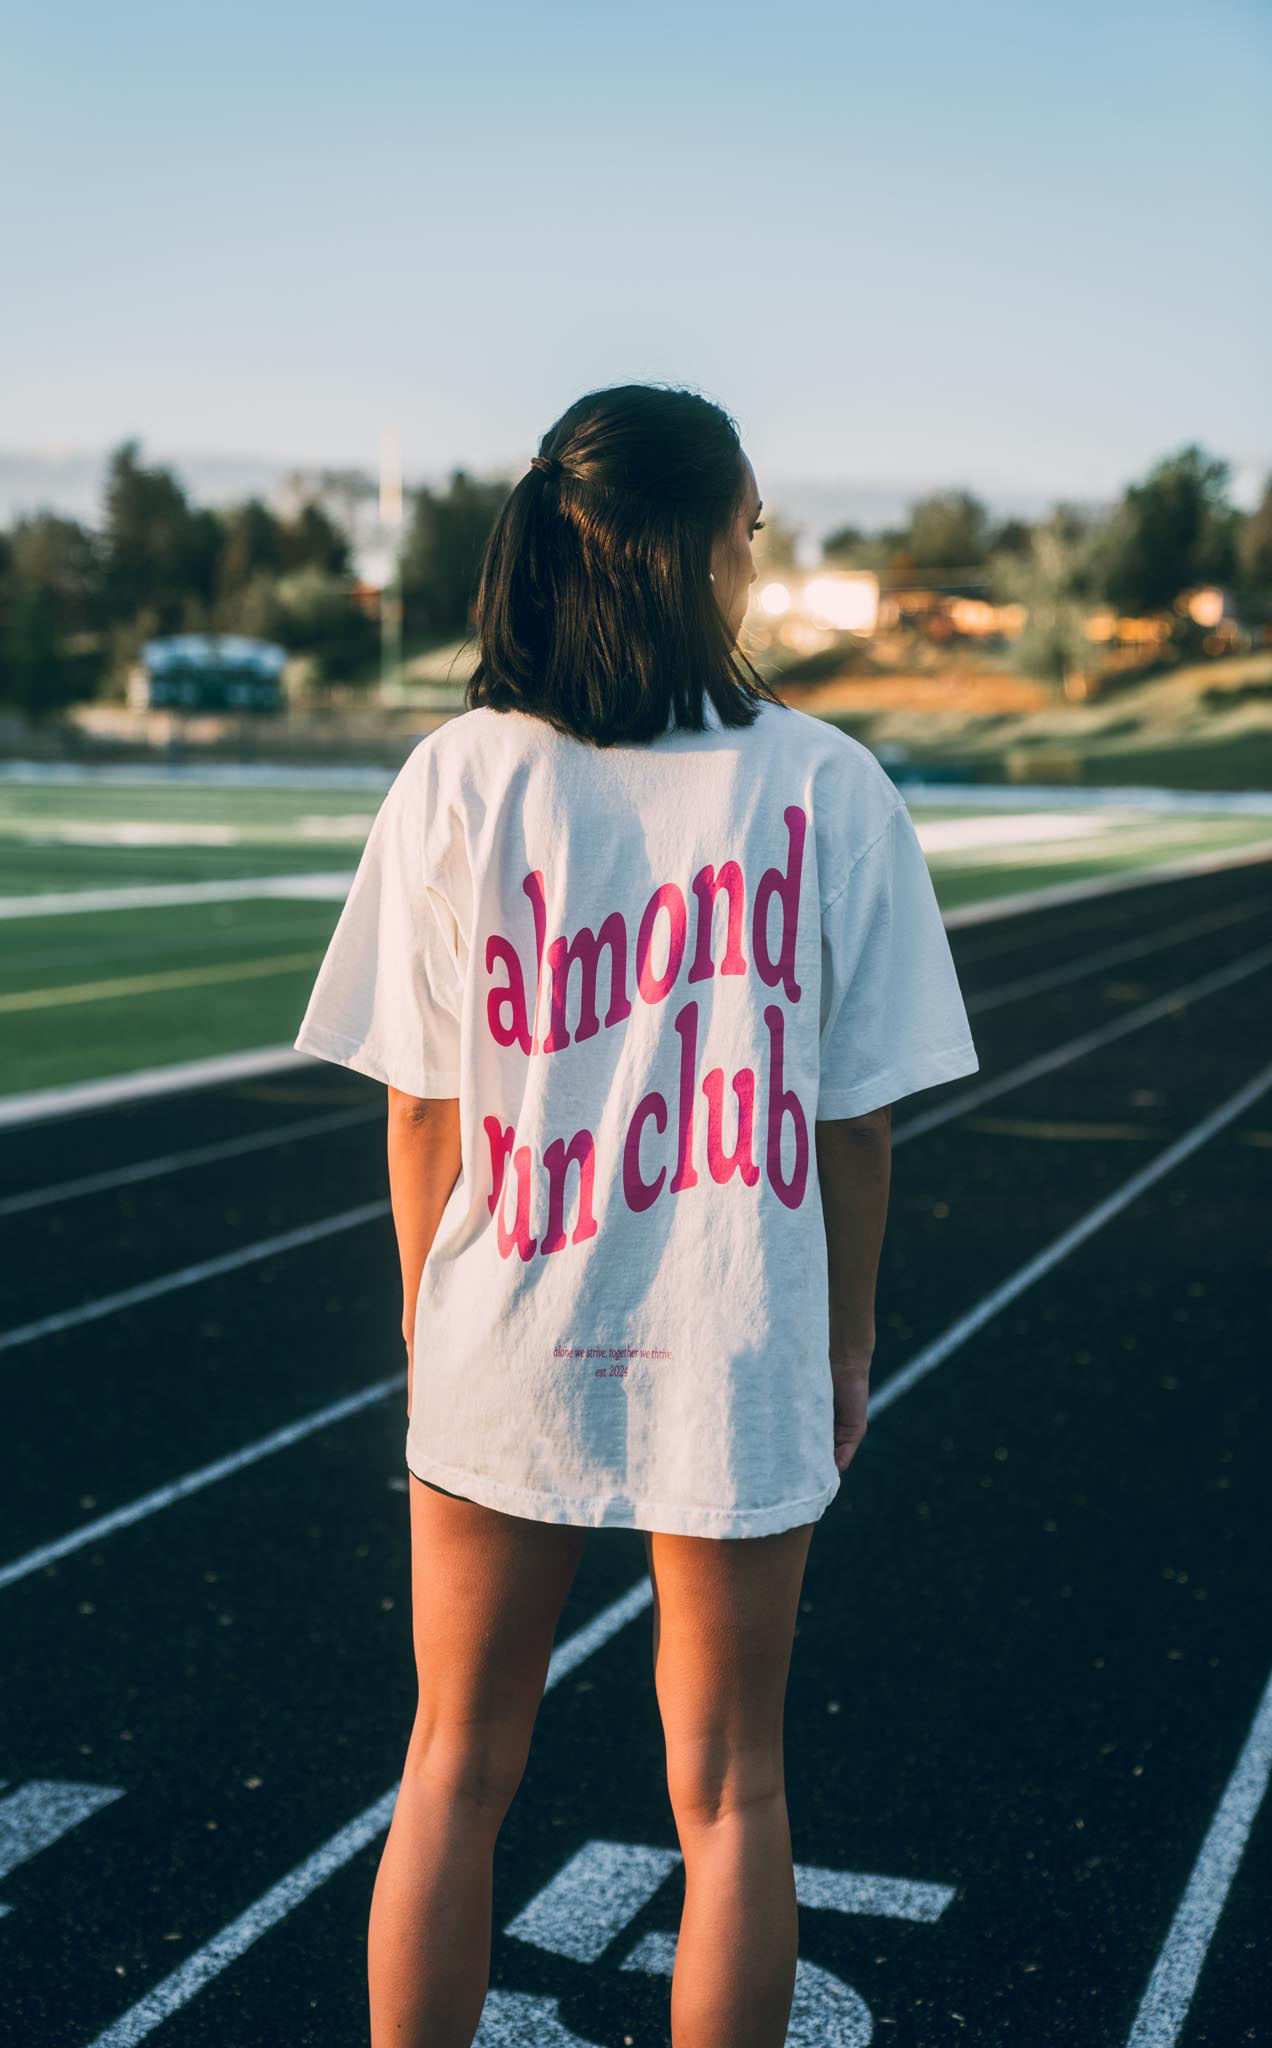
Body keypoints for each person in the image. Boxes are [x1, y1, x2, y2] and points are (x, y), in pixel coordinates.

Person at [293, 382, 981, 2047]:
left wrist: (426, 1317)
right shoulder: (828, 787)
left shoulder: (460, 775)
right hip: (736, 1326)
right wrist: (848, 1336)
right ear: (689, 547)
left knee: (451, 1770)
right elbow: (860, 1120)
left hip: (503, 1320)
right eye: (749, 525)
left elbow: (421, 1107)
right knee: (734, 1797)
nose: (758, 553)